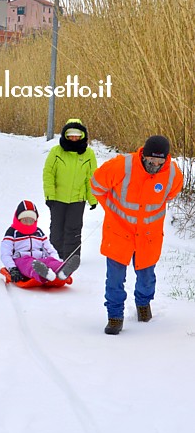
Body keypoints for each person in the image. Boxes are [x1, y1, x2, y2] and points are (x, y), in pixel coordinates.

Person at [91, 135, 183, 335]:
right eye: (151, 160)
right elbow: (96, 185)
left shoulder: (173, 174)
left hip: (149, 235)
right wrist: (111, 210)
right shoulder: (121, 166)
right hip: (119, 232)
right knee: (115, 279)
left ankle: (144, 305)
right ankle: (114, 316)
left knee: (147, 278)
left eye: (160, 161)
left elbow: (169, 195)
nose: (155, 165)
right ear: (144, 155)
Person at [43, 118, 98, 261]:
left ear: (82, 136)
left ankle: (72, 258)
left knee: (73, 230)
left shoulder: (88, 154)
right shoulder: (56, 151)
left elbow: (91, 178)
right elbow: (48, 174)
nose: (74, 138)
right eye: (71, 135)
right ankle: (55, 257)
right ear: (65, 135)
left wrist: (92, 199)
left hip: (77, 200)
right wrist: (50, 196)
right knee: (56, 230)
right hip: (57, 198)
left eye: (77, 135)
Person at [0, 200, 80, 285]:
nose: (28, 223)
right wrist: (12, 268)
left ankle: (62, 270)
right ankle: (43, 274)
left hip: (40, 260)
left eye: (31, 220)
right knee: (29, 264)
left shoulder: (38, 232)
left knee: (49, 261)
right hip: (21, 260)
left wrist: (55, 260)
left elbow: (50, 249)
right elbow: (5, 253)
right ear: (18, 219)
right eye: (25, 220)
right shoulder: (12, 232)